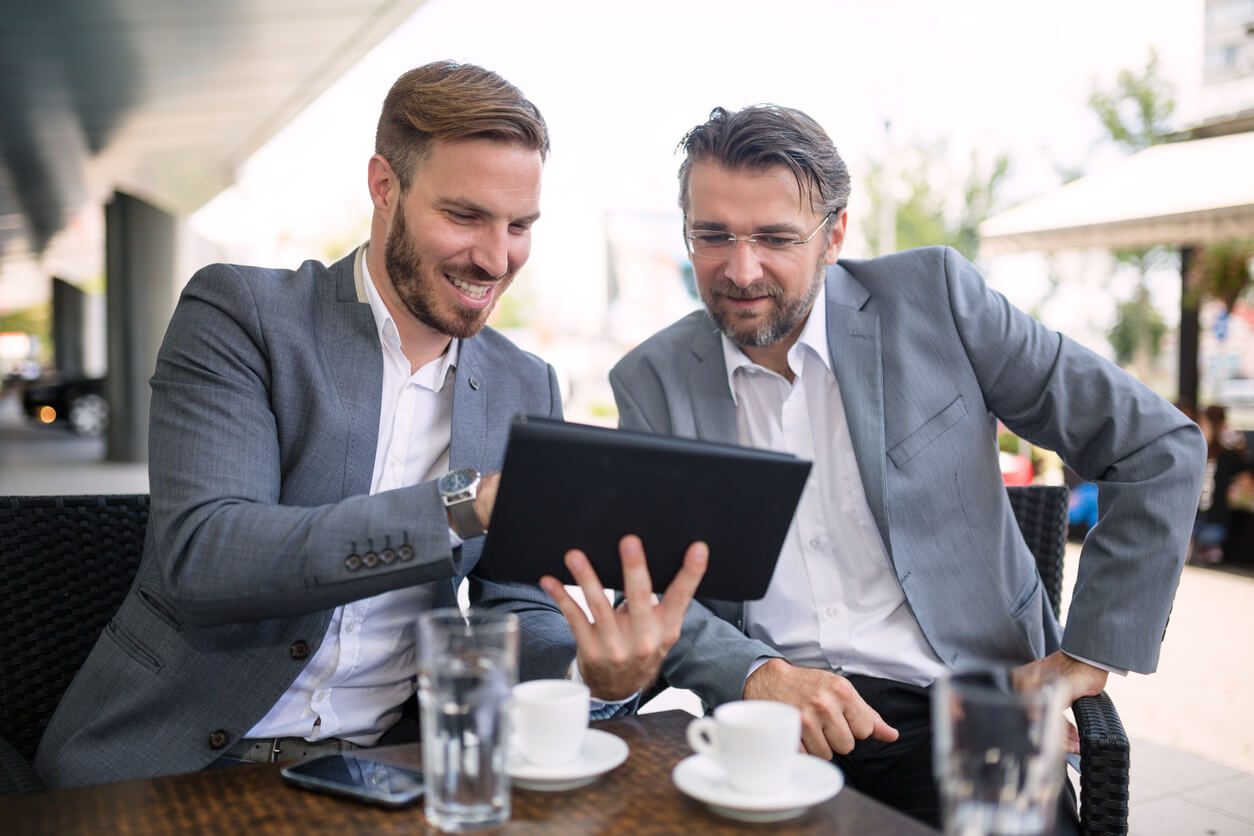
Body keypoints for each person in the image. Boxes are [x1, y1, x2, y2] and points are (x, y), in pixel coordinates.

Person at [35, 61, 705, 789]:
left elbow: (514, 605)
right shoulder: (241, 316)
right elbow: (208, 553)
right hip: (175, 765)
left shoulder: (523, 382)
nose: (495, 256)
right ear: (385, 187)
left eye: (519, 225)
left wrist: (588, 669)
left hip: (387, 769)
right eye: (465, 216)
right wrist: (461, 503)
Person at [607, 104, 1205, 828]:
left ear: (835, 235)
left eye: (775, 237)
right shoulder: (652, 379)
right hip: (772, 730)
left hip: (972, 713)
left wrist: (1089, 652)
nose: (740, 269)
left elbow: (1156, 446)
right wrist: (754, 673)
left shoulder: (938, 299)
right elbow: (663, 595)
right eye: (712, 236)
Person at [1192, 404, 1250, 564]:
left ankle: (1206, 551)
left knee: (1208, 537)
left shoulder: (1230, 457)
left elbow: (1246, 483)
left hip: (1215, 524)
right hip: (1194, 522)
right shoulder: (1194, 453)